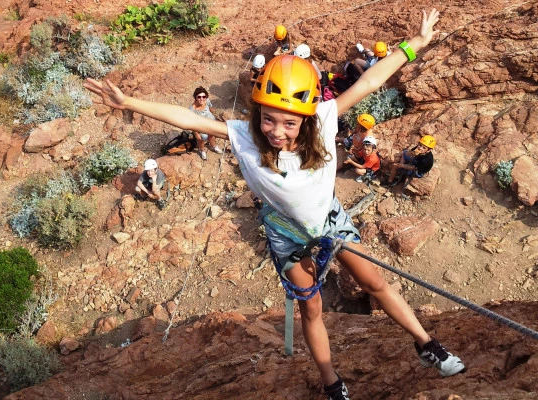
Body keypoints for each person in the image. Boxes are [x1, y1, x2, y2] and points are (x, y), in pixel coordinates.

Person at [84, 10, 465, 399]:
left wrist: (414, 43)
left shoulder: (324, 118)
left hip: (329, 219)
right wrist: (128, 100)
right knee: (311, 309)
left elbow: (369, 82)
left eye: (288, 123)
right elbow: (190, 119)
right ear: (258, 113)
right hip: (286, 233)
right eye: (268, 120)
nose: (276, 131)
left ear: (305, 119)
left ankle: (425, 343)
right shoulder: (245, 137)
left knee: (375, 282)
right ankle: (331, 381)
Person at [189, 86, 223, 160]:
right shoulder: (192, 109)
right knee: (202, 138)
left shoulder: (207, 101)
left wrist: (215, 116)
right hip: (201, 127)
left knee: (212, 135)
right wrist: (196, 133)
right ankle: (202, 150)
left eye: (204, 96)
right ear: (195, 97)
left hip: (211, 122)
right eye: (199, 97)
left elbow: (211, 109)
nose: (202, 99)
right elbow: (191, 123)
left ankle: (213, 146)